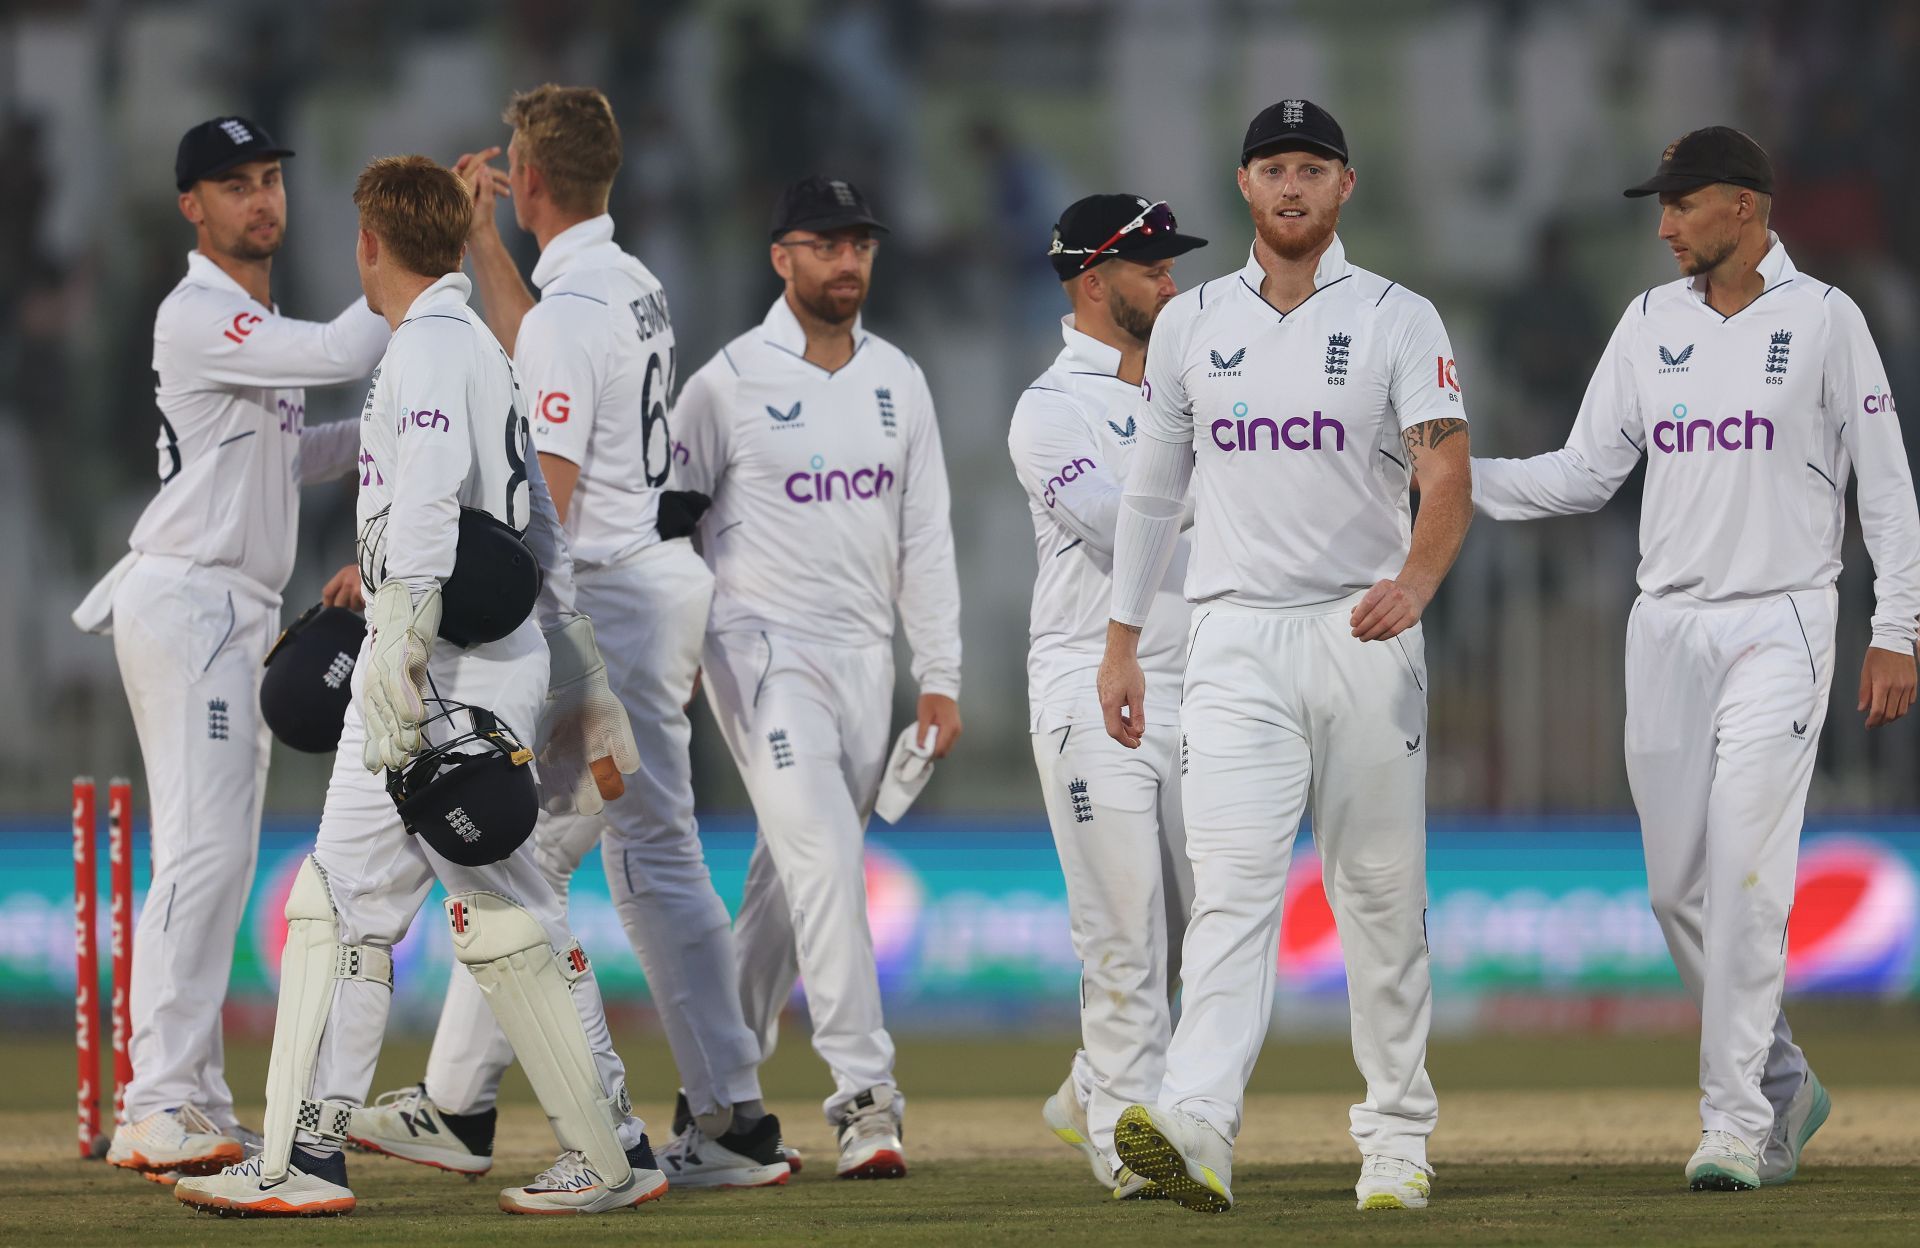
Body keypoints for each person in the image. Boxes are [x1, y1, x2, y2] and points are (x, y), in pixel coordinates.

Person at [175, 155, 664, 1217]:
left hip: (438, 669)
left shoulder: (432, 351)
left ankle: (593, 1149)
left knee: (437, 908)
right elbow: (538, 523)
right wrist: (580, 672)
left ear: (368, 246)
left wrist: (394, 655)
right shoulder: (474, 347)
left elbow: (436, 509)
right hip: (469, 658)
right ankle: (330, 1155)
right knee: (410, 904)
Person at [350, 85, 790, 1190]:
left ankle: (482, 1111)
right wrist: (490, 242)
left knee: (527, 855)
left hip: (607, 606)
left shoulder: (559, 319)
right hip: (656, 585)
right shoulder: (626, 283)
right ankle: (726, 1116)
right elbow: (540, 333)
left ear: (528, 175)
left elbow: (540, 497)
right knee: (641, 857)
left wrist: (417, 574)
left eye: (509, 168)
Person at [1472, 127, 1920, 1192]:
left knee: (1747, 877)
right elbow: (1584, 475)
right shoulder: (1646, 321)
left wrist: (1898, 625)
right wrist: (1454, 481)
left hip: (1784, 622)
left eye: (1681, 204)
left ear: (1746, 207)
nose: (1664, 225)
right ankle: (1783, 1082)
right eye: (1659, 206)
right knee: (1678, 889)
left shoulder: (1824, 321)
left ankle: (1731, 1127)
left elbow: (1888, 483)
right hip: (1665, 627)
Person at [1097, 99, 1473, 1215]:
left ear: (1345, 187)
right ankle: (1198, 1127)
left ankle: (1397, 1141)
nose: (1294, 186)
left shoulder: (1402, 317)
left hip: (1362, 629)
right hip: (1231, 639)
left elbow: (1445, 473)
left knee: (1379, 897)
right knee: (1231, 894)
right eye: (1274, 168)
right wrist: (1121, 641)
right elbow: (1155, 489)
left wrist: (1416, 579)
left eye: (1314, 167)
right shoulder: (1191, 322)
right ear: (1245, 186)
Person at [71, 115, 388, 1181]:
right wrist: (421, 275)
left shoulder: (254, 320)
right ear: (190, 208)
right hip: (190, 599)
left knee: (217, 856)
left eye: (269, 180)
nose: (261, 200)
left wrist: (395, 439)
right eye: (234, 185)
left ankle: (192, 1098)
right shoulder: (198, 313)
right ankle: (157, 1098)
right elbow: (350, 349)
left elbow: (301, 451)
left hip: (235, 608)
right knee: (202, 855)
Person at [674, 174, 963, 1180]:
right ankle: (865, 1099)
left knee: (789, 886)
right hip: (759, 647)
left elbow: (923, 536)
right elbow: (669, 530)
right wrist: (665, 658)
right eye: (826, 245)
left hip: (862, 657)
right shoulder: (725, 382)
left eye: (861, 246)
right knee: (830, 858)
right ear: (781, 257)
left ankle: (712, 1103)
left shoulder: (900, 379)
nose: (848, 263)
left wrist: (940, 674)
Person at [1007, 193, 1207, 1200]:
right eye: (1153, 268)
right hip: (1096, 685)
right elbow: (1115, 530)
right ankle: (1128, 1145)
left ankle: (1092, 1085)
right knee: (1123, 926)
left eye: (1172, 266)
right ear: (1095, 282)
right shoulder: (1053, 409)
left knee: (1192, 929)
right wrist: (1252, 523)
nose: (1173, 283)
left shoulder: (1192, 391)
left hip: (1203, 684)